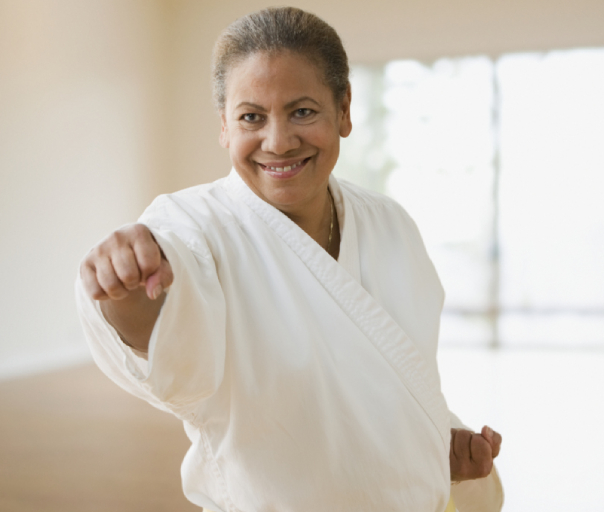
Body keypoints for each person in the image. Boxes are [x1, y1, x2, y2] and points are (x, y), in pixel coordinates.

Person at [76, 7, 503, 512]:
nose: (277, 141)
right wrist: (124, 282)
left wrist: (434, 444)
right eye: (251, 117)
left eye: (302, 111)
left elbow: (398, 384)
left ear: (344, 109)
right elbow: (170, 331)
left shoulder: (390, 224)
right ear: (224, 126)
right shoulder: (191, 224)